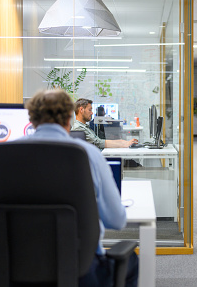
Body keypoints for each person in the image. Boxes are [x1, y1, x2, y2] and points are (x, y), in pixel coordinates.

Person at [24, 89, 138, 286]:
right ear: (70, 117)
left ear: (31, 119)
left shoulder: (2, 155)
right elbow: (116, 220)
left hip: (19, 267)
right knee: (132, 261)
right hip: (81, 270)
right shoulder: (88, 155)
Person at [72, 98, 137, 150]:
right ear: (81, 110)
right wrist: (124, 143)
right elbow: (99, 143)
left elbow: (99, 141)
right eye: (90, 110)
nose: (92, 113)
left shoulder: (85, 127)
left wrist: (125, 142)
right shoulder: (78, 129)